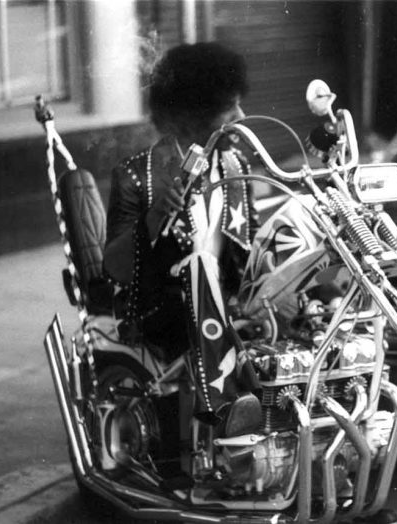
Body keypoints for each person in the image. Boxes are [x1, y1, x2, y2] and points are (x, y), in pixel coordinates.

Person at [103, 42, 260, 437]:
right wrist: (156, 215)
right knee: (201, 270)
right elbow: (116, 268)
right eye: (229, 108)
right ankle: (228, 420)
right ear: (193, 115)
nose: (241, 117)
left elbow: (250, 252)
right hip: (162, 312)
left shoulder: (235, 165)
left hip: (226, 309)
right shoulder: (136, 176)